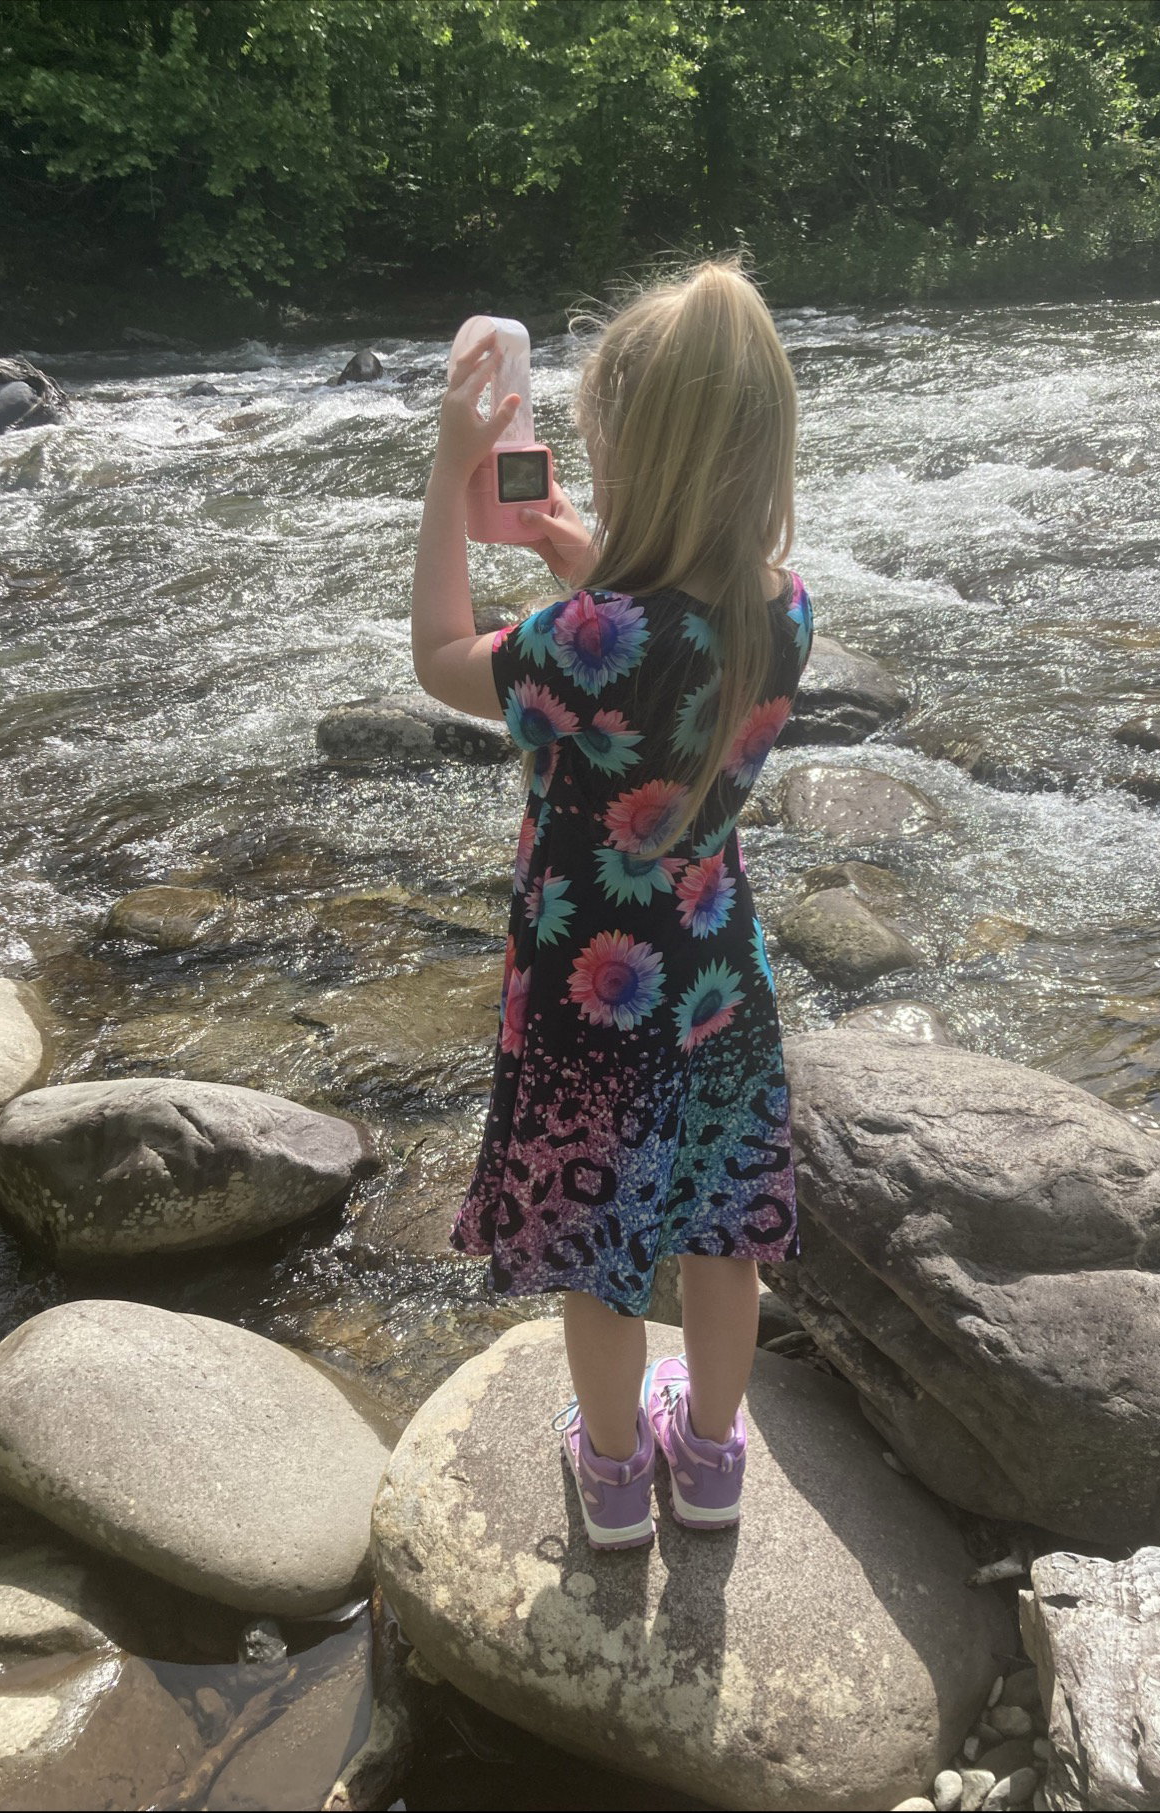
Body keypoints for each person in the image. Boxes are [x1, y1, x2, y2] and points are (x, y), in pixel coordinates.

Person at [410, 254, 813, 1550]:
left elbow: (439, 658)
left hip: (596, 994)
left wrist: (448, 476)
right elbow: (671, 629)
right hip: (720, 980)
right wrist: (577, 549)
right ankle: (711, 1462)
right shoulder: (784, 609)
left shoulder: (584, 641)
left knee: (598, 1247)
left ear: (628, 455)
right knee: (720, 1232)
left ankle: (616, 1474)